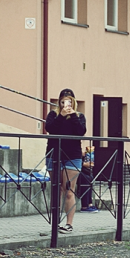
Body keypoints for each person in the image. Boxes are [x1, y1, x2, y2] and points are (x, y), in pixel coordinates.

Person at [45, 88, 87, 233]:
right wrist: (61, 116)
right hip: (54, 155)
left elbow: (80, 132)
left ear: (73, 102)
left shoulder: (79, 116)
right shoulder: (53, 114)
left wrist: (72, 115)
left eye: (69, 101)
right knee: (57, 189)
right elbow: (50, 129)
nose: (66, 104)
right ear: (59, 101)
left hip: (72, 156)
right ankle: (55, 222)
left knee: (69, 190)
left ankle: (69, 224)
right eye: (63, 101)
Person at [78, 145, 98, 212]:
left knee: (90, 177)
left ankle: (90, 204)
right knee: (85, 178)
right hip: (70, 170)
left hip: (78, 167)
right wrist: (83, 164)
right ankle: (84, 206)